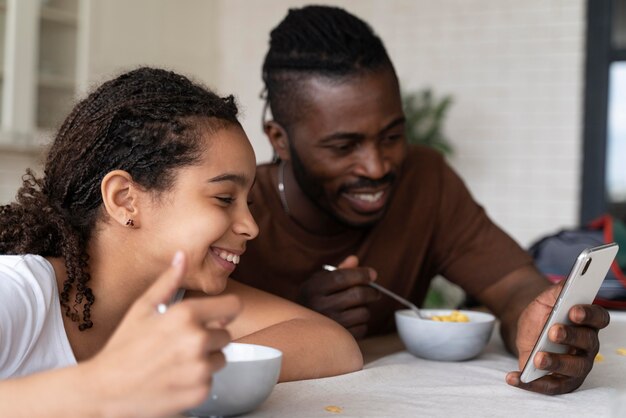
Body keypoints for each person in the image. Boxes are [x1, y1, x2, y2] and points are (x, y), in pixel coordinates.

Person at [232, 5, 609, 395]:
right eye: (344, 146)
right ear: (279, 140)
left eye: (392, 136)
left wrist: (543, 328)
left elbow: (513, 286)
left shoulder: (424, 178)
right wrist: (300, 320)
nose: (377, 167)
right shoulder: (237, 211)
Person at [0, 67, 362, 417]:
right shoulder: (19, 291)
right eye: (224, 199)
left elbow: (333, 344)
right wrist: (108, 385)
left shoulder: (177, 299)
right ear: (125, 198)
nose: (250, 226)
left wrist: (184, 368)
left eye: (247, 202)